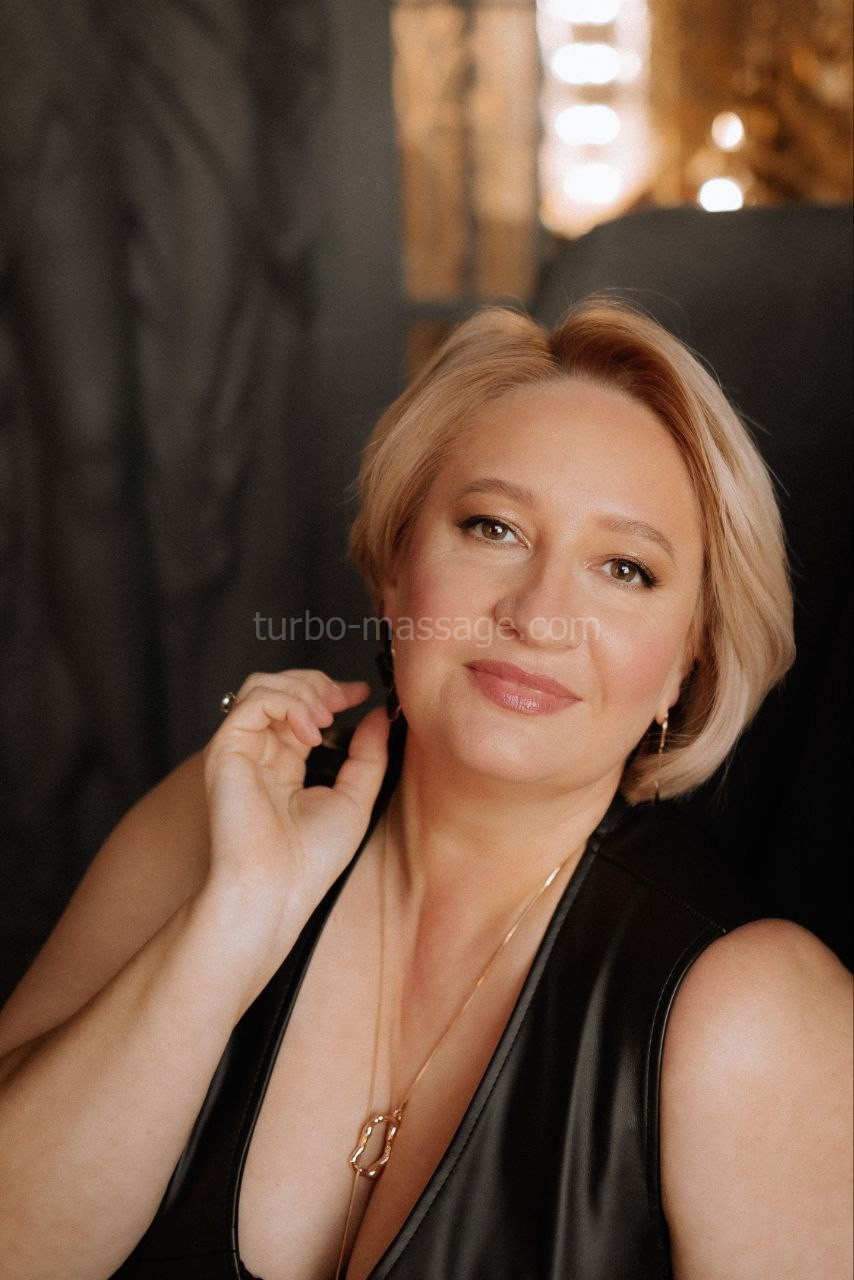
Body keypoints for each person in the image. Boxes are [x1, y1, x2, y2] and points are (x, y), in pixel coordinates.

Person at [0, 299, 850, 1280]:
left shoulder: (756, 1017)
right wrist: (229, 922)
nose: (538, 614)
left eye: (624, 568)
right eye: (494, 527)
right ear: (397, 571)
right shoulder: (218, 823)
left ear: (685, 662)